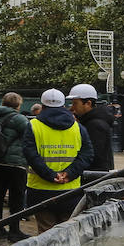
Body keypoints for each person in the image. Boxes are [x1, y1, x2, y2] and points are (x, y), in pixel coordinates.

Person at [22, 88, 93, 235]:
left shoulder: (34, 126)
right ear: (63, 105)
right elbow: (87, 154)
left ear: (42, 106)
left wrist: (51, 175)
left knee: (45, 235)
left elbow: (30, 155)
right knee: (68, 233)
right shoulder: (77, 127)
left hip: (40, 190)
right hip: (70, 190)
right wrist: (68, 174)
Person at [0, 92, 32, 242]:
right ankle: (14, 230)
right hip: (15, 163)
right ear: (17, 104)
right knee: (16, 197)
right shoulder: (19, 119)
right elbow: (30, 136)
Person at [67, 83, 115, 172]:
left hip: (92, 176)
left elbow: (92, 155)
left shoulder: (95, 125)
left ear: (88, 103)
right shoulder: (93, 122)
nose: (72, 108)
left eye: (75, 104)